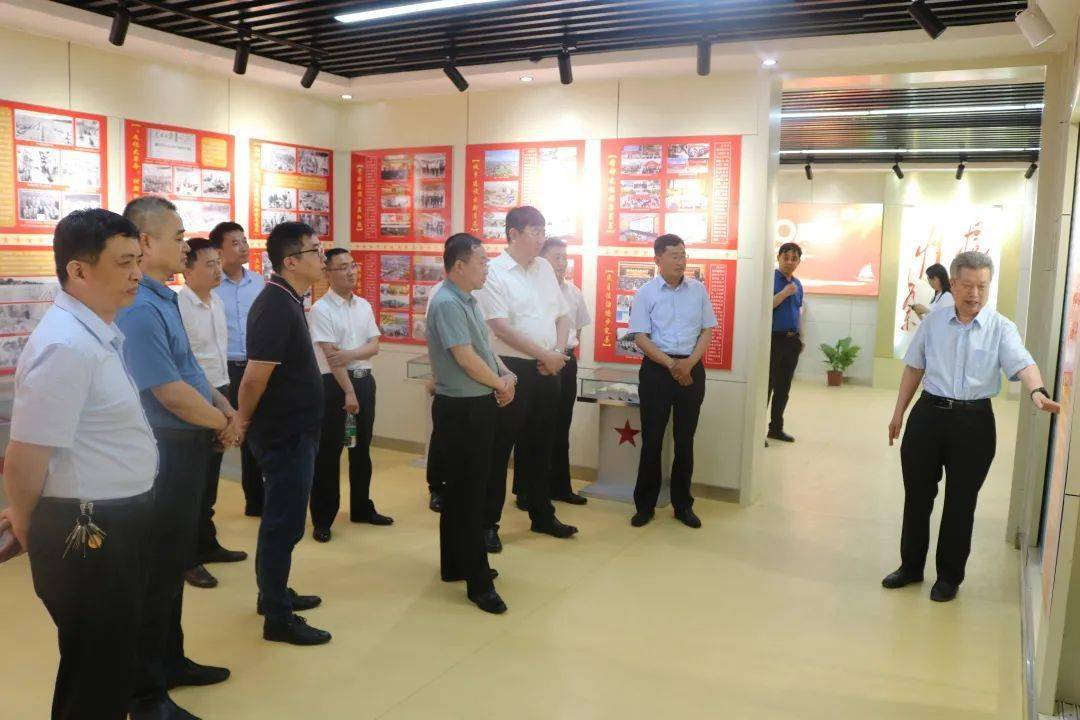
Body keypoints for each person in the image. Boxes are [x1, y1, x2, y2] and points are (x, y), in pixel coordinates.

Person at [1, 209, 157, 720]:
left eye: (139, 260)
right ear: (79, 271)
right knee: (97, 668)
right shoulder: (67, 345)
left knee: (103, 662)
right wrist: (28, 527)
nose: (138, 273)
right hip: (84, 528)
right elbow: (25, 456)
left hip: (112, 520)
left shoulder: (94, 333)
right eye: (124, 262)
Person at [118, 197, 237, 720]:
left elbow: (189, 369)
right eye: (177, 235)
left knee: (172, 564)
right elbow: (166, 390)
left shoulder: (162, 297)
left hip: (189, 440)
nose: (186, 244)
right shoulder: (139, 306)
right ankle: (147, 693)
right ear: (145, 243)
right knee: (157, 574)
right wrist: (225, 422)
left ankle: (172, 661)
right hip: (164, 450)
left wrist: (222, 405)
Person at [885, 251, 1059, 602]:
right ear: (953, 284)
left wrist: (1037, 390)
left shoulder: (1000, 327)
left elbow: (1023, 363)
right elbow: (914, 368)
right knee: (918, 495)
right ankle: (911, 567)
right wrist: (898, 413)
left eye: (982, 286)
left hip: (974, 423)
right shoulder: (933, 322)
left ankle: (949, 577)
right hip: (929, 416)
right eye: (967, 285)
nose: (975, 293)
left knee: (961, 502)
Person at [236, 221, 331, 645]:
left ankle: (273, 592)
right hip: (284, 434)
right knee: (283, 523)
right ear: (291, 261)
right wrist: (241, 420)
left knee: (285, 521)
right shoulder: (275, 305)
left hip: (296, 430)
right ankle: (277, 617)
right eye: (315, 250)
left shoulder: (288, 299)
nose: (322, 257)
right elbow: (255, 378)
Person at [474, 206, 577, 553]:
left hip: (549, 369)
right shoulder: (494, 273)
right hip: (511, 370)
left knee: (541, 445)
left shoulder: (545, 268)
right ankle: (488, 523)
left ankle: (541, 513)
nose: (540, 238)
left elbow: (563, 315)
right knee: (499, 449)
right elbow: (500, 326)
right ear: (513, 234)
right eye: (534, 231)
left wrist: (557, 354)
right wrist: (544, 355)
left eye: (543, 230)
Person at [426, 233, 515, 614]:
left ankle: (455, 565)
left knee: (464, 493)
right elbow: (463, 358)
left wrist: (505, 373)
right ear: (458, 265)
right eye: (480, 261)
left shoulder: (468, 300)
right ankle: (478, 581)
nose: (486, 267)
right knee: (469, 496)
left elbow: (482, 348)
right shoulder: (447, 302)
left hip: (477, 403)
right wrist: (500, 384)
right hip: (462, 409)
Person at [627, 234, 717, 529]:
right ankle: (645, 505)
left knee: (685, 440)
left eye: (684, 255)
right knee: (652, 441)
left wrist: (688, 364)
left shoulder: (698, 290)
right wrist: (670, 365)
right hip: (656, 371)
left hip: (691, 369)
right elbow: (640, 337)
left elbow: (707, 331)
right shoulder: (646, 293)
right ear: (658, 259)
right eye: (675, 256)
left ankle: (682, 505)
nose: (682, 261)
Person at [178, 236, 248, 590]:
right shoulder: (179, 305)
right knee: (191, 484)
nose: (218, 270)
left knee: (209, 479)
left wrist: (226, 403)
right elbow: (186, 364)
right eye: (209, 264)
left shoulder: (216, 301)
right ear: (187, 269)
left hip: (220, 390)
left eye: (219, 263)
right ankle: (187, 559)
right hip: (193, 397)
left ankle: (207, 544)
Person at [308, 248, 390, 543]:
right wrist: (349, 391)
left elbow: (374, 345)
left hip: (364, 382)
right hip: (335, 388)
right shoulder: (321, 310)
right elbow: (332, 358)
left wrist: (351, 354)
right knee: (329, 453)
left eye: (352, 266)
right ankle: (323, 518)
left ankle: (361, 508)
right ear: (327, 273)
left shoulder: (363, 305)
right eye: (342, 267)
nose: (351, 272)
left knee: (362, 449)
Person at [213, 221, 266, 517]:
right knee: (223, 431)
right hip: (225, 369)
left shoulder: (258, 282)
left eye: (244, 241)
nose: (243, 246)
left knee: (253, 433)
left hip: (254, 366)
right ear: (219, 250)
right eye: (235, 242)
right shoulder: (210, 285)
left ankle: (256, 501)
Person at [536, 237, 590, 505]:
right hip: (539, 363)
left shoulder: (573, 292)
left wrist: (565, 353)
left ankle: (560, 487)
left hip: (566, 363)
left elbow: (576, 329)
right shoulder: (533, 290)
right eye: (556, 257)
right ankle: (529, 492)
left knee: (561, 426)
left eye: (564, 257)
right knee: (535, 428)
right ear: (541, 259)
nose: (561, 263)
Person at [768, 242, 804, 444]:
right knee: (768, 385)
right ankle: (757, 431)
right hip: (774, 339)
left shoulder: (798, 283)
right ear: (779, 257)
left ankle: (776, 428)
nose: (790, 262)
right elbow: (767, 306)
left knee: (784, 387)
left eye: (794, 258)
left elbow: (799, 311)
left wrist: (801, 338)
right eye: (786, 257)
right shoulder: (771, 279)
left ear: (799, 261)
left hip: (792, 340)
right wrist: (784, 293)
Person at [424, 278, 446, 513]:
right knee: (442, 434)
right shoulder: (439, 293)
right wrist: (434, 374)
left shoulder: (479, 292)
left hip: (478, 378)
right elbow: (433, 337)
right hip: (447, 378)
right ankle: (437, 487)